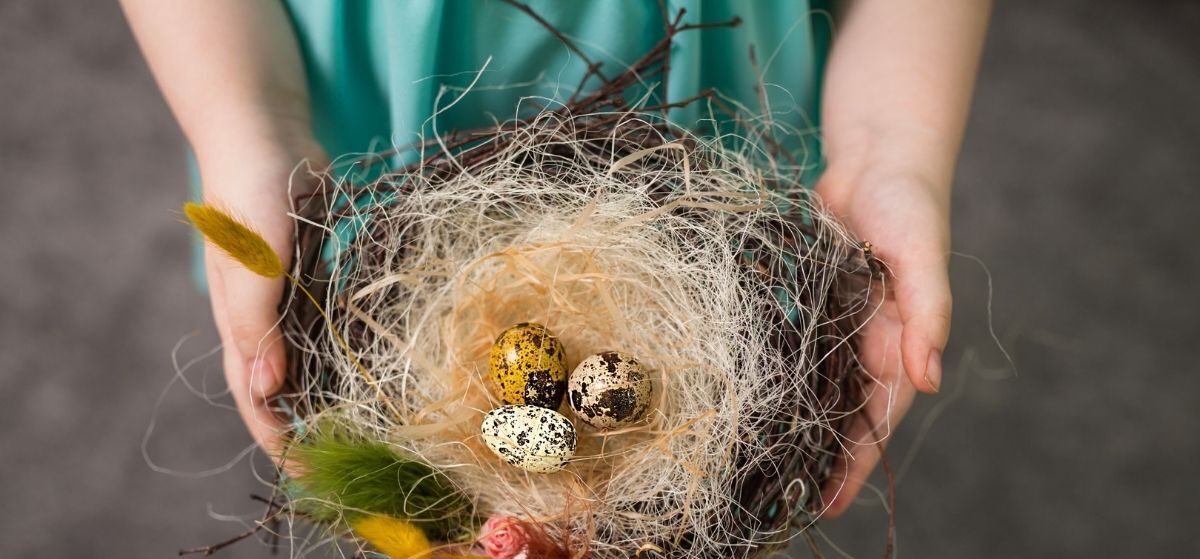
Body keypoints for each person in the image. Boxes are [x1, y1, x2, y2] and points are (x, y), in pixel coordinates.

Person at [120, 0, 990, 519]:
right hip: (351, 81)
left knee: (735, 364)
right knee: (387, 351)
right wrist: (248, 122)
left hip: (725, 96)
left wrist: (890, 149)